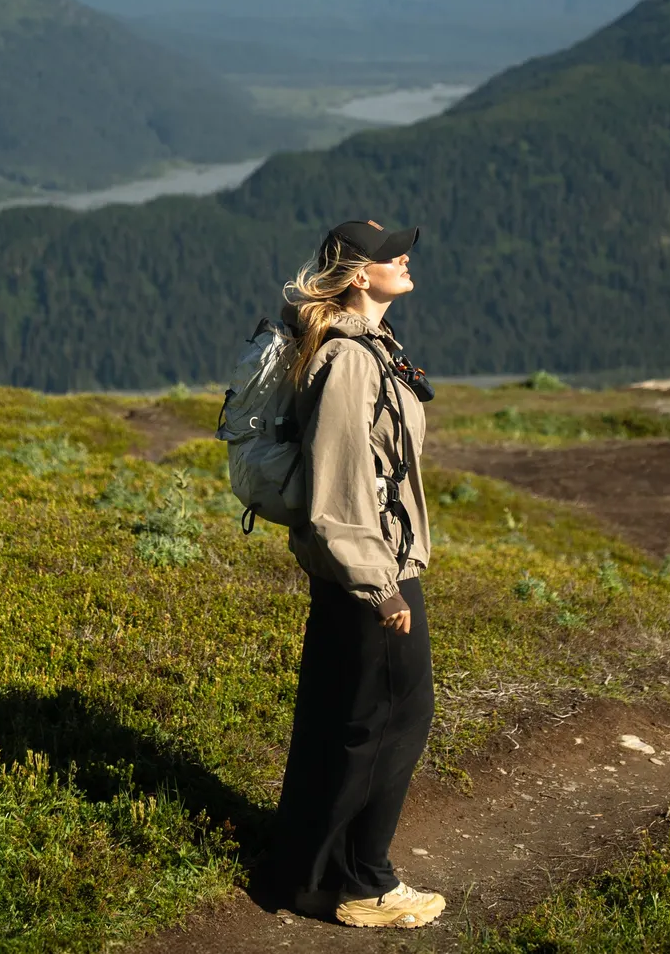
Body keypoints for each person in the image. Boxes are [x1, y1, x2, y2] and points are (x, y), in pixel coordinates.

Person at [261, 218, 445, 929]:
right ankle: (364, 882)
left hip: (362, 569)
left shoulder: (369, 350)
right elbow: (340, 487)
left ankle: (307, 875)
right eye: (388, 252)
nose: (404, 257)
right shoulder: (350, 361)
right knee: (392, 721)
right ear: (359, 275)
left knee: (344, 720)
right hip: (371, 572)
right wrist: (380, 585)